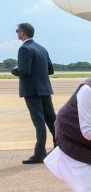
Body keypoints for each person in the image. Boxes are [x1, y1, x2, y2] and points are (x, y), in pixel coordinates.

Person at [11, 23, 55, 164]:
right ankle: (59, 147)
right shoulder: (42, 48)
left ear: (23, 33)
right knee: (52, 120)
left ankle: (39, 153)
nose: (17, 33)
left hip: (32, 91)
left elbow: (24, 71)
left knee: (39, 122)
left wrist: (14, 70)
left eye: (17, 31)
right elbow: (50, 70)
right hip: (45, 89)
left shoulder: (24, 49)